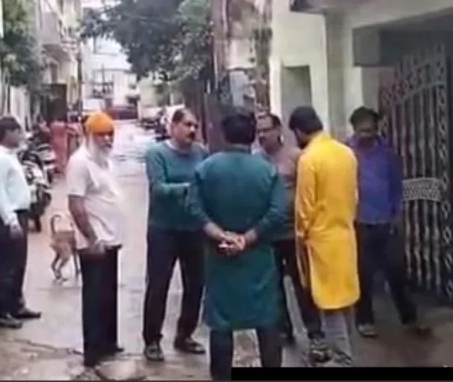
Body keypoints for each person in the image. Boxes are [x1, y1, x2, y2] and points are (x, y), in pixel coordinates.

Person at [186, 108, 288, 380]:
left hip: (220, 258)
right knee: (267, 320)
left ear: (224, 135)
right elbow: (278, 212)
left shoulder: (206, 169)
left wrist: (222, 235)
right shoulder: (267, 171)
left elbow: (194, 210)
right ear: (253, 135)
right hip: (258, 258)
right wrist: (248, 238)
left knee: (221, 323)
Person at [347, 107, 430, 339]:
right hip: (359, 221)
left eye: (370, 130)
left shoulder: (387, 153)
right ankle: (364, 320)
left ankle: (409, 318)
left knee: (397, 271)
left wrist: (397, 214)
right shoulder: (346, 153)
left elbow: (395, 186)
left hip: (386, 220)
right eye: (362, 130)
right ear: (354, 129)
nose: (366, 134)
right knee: (363, 274)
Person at [287, 106, 361, 366]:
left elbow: (304, 207)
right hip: (345, 234)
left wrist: (300, 236)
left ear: (299, 131)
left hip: (321, 240)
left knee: (329, 302)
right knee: (345, 299)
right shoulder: (346, 153)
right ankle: (346, 350)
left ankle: (342, 358)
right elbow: (354, 196)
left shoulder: (309, 159)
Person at [254, 112, 328, 358]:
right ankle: (283, 330)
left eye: (267, 129)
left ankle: (315, 333)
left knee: (302, 285)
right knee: (273, 286)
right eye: (259, 130)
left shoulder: (297, 156)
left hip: (294, 234)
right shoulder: (255, 160)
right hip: (267, 234)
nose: (262, 135)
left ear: (279, 131)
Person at [141, 108, 208, 361]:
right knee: (158, 285)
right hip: (163, 230)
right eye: (187, 125)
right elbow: (158, 189)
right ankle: (152, 340)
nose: (192, 130)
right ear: (174, 127)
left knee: (195, 285)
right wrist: (190, 189)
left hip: (194, 229)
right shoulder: (157, 154)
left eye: (195, 126)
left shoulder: (201, 153)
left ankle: (185, 335)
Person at [66, 111, 126, 373]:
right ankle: (93, 351)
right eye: (101, 135)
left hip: (110, 239)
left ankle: (109, 344)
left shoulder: (105, 161)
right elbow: (76, 205)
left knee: (108, 295)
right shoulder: (80, 162)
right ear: (89, 135)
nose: (107, 139)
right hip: (94, 241)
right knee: (94, 297)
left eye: (110, 134)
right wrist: (92, 238)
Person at [0, 116, 42, 329]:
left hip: (19, 214)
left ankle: (16, 304)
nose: (21, 135)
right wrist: (11, 220)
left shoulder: (10, 156)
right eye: (17, 131)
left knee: (18, 264)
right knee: (7, 266)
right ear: (7, 133)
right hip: (9, 217)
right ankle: (1, 311)